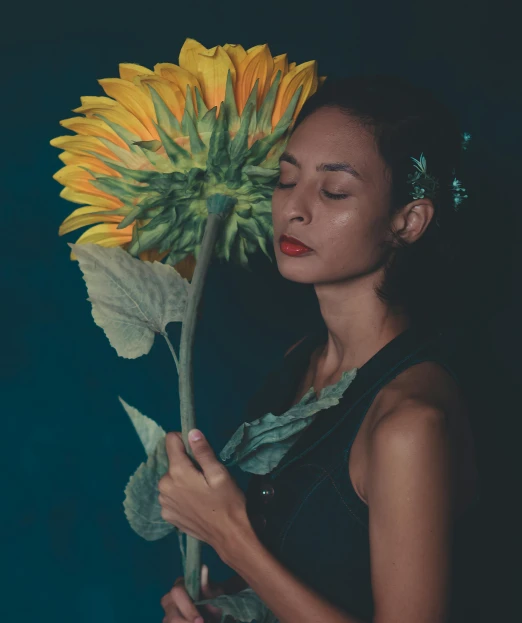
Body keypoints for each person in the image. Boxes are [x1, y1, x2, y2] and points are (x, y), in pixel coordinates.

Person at [159, 76, 482, 623]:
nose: (294, 208)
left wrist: (232, 537)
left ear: (408, 221)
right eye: (286, 180)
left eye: (334, 192)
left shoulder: (408, 424)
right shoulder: (300, 363)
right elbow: (321, 567)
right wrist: (231, 601)